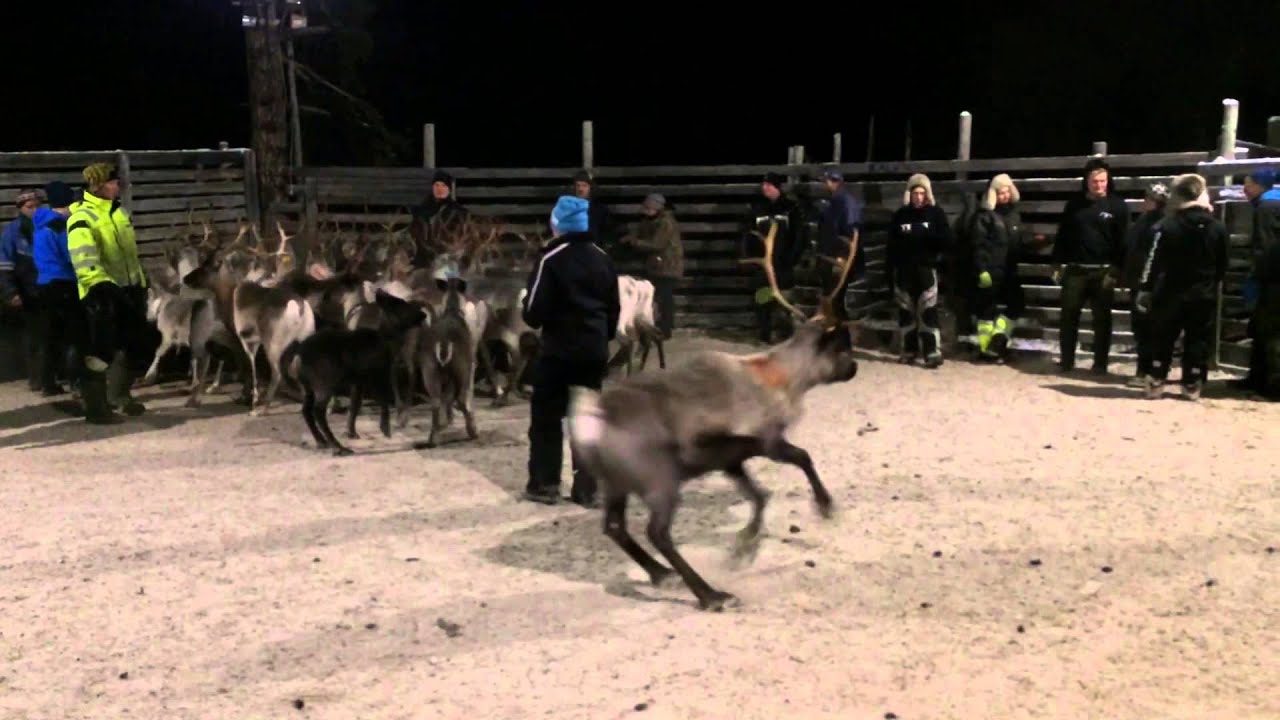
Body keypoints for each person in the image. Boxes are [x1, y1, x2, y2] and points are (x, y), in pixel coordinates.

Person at [521, 194, 621, 506]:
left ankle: (545, 484)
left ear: (559, 225)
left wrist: (531, 309)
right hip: (592, 351)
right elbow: (613, 309)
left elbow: (534, 312)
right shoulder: (602, 258)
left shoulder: (550, 260)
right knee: (586, 417)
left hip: (558, 351)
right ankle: (588, 488)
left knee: (547, 417)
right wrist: (599, 339)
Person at [67, 162, 150, 422]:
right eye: (114, 182)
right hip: (100, 294)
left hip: (129, 290)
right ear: (100, 185)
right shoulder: (82, 217)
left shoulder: (118, 212)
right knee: (100, 353)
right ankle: (97, 408)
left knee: (132, 346)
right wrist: (101, 288)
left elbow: (129, 255)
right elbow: (84, 259)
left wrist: (141, 283)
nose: (118, 187)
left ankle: (120, 397)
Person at [1134, 173, 1228, 401]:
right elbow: (1222, 263)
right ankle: (1192, 382)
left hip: (1171, 291)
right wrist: (1211, 283)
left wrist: (1145, 288)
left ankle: (1156, 378)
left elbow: (1153, 260)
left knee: (1163, 336)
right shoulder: (1217, 228)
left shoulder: (1165, 225)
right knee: (1198, 338)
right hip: (1203, 292)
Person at [1052, 156, 1131, 374]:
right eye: (1095, 181)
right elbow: (1063, 235)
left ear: (1108, 180)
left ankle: (1100, 363)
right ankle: (1066, 360)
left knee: (1102, 319)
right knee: (1068, 316)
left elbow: (1124, 241)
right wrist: (1057, 262)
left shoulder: (1117, 206)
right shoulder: (1074, 205)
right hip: (1076, 269)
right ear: (1086, 181)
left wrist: (1117, 269)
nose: (1099, 185)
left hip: (1103, 270)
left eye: (1103, 181)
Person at [887, 173, 952, 367]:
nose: (919, 197)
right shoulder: (900, 215)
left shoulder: (936, 214)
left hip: (926, 270)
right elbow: (891, 245)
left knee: (928, 310)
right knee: (906, 311)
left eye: (922, 193)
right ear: (910, 194)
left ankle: (932, 351)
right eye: (915, 193)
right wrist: (889, 270)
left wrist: (937, 254)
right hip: (904, 271)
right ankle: (909, 349)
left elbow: (947, 241)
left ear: (927, 194)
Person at [31, 181, 85, 398]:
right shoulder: (60, 227)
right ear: (67, 202)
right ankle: (76, 382)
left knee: (50, 337)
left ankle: (47, 383)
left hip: (44, 284)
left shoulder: (39, 225)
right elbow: (71, 255)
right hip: (64, 283)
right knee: (74, 336)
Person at [741, 172, 806, 344]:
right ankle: (765, 333)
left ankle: (785, 335)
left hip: (783, 265)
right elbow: (747, 234)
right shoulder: (756, 209)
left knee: (783, 301)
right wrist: (748, 258)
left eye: (768, 185)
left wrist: (791, 259)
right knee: (763, 299)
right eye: (763, 185)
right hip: (762, 265)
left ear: (777, 187)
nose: (764, 188)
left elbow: (799, 236)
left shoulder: (790, 208)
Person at [969, 174, 1028, 360]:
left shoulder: (1014, 215)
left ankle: (998, 338)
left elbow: (1017, 243)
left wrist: (1036, 242)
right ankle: (986, 349)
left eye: (1007, 191)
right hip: (990, 269)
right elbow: (978, 244)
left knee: (1017, 303)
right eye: (1001, 192)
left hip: (1009, 270)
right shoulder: (985, 216)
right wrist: (981, 270)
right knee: (986, 310)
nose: (1005, 196)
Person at [1233, 167, 1280, 393]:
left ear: (1260, 185)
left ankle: (1271, 386)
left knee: (1269, 333)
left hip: (1272, 281)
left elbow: (1265, 247)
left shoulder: (1266, 208)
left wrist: (1256, 278)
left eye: (1248, 183)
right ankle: (1257, 379)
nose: (1245, 188)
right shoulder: (1271, 204)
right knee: (1261, 331)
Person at [1120, 182, 1170, 386]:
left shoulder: (1160, 224)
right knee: (1141, 327)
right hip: (1140, 279)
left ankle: (1147, 370)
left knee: (1149, 328)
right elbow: (1133, 250)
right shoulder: (1144, 221)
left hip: (1150, 282)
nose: (1148, 202)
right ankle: (1146, 369)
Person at [1, 188, 47, 391]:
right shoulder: (13, 232)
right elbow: (4, 264)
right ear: (20, 208)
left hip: (49, 289)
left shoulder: (49, 227)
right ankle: (37, 378)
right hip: (27, 292)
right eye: (30, 207)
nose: (35, 210)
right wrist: (11, 292)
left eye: (38, 205)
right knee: (34, 337)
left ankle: (52, 378)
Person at [620, 193, 683, 338]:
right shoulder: (650, 220)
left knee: (664, 298)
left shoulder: (666, 222)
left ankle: (665, 330)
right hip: (656, 266)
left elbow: (657, 244)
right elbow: (640, 233)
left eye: (650, 208)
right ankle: (654, 327)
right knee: (655, 298)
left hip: (667, 266)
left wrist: (635, 242)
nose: (646, 210)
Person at [816, 169, 864, 321]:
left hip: (838, 258)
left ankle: (840, 334)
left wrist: (842, 257)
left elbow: (852, 232)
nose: (824, 184)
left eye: (826, 181)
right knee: (831, 296)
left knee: (837, 297)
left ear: (833, 181)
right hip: (830, 256)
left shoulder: (845, 202)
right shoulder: (834, 201)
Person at [409, 169, 470, 268]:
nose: (439, 189)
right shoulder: (421, 210)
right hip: (423, 257)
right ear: (432, 187)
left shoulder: (459, 212)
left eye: (443, 186)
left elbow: (464, 236)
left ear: (449, 189)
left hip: (449, 256)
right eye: (436, 185)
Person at [571, 170, 619, 251]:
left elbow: (608, 231)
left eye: (584, 186)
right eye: (578, 186)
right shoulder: (567, 208)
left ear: (590, 188)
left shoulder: (600, 209)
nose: (580, 189)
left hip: (594, 250)